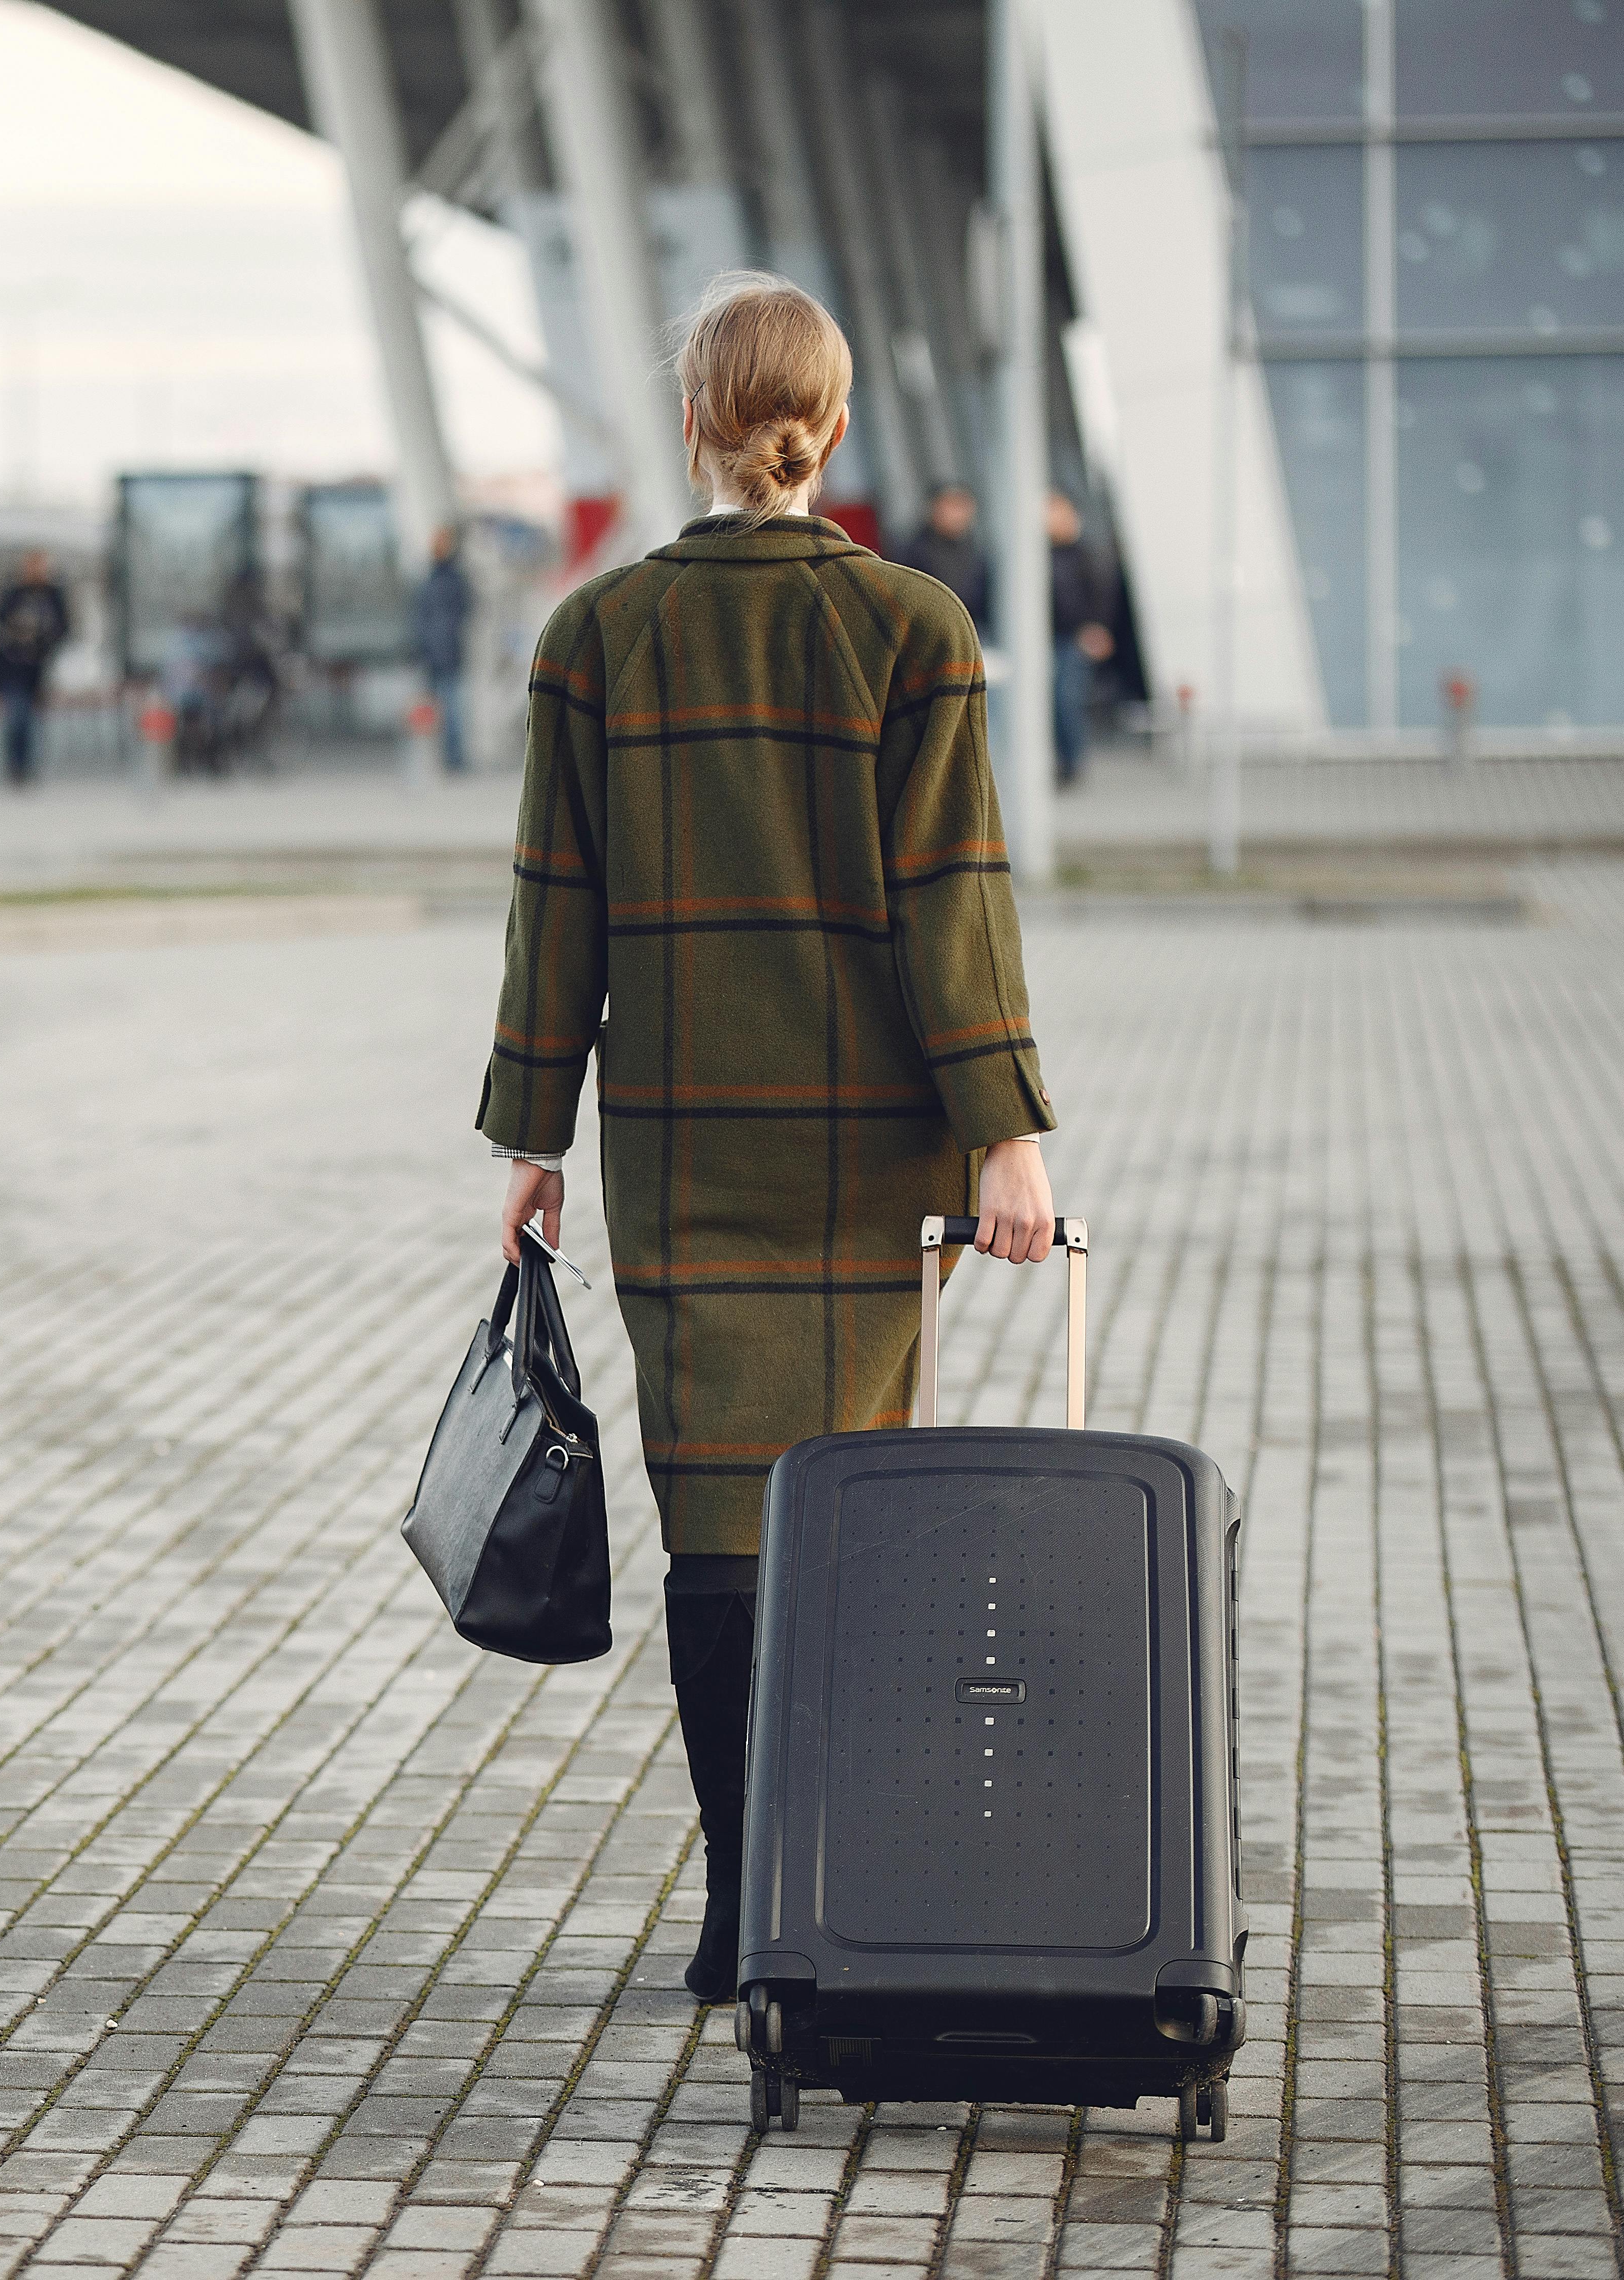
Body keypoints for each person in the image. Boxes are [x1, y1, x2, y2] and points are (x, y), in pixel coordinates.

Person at [481, 272, 1059, 2006]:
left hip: (679, 1148)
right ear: (836, 422)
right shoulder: (915, 625)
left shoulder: (597, 632)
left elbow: (551, 911)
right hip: (872, 1150)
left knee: (718, 1526)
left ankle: (744, 1903)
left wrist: (534, 1134)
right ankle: (832, 1894)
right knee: (849, 1511)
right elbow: (957, 906)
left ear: (693, 423)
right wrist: (1008, 1139)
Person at [0, 552, 71, 789]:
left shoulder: (53, 595)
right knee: (17, 717)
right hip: (11, 668)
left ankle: (25, 766)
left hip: (38, 670)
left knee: (31, 719)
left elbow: (64, 628)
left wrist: (42, 638)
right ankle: (16, 767)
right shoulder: (13, 593)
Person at [1046, 491, 1116, 788]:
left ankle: (1072, 763)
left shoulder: (1087, 554)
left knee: (1067, 700)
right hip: (1043, 641)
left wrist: (1098, 629)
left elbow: (1104, 596)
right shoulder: (1034, 555)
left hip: (1075, 639)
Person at [410, 524, 475, 776]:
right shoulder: (438, 581)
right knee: (443, 709)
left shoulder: (446, 581)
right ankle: (446, 758)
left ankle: (453, 759)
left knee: (451, 708)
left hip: (446, 653)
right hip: (437, 653)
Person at [891, 481, 993, 636]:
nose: (958, 514)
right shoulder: (913, 551)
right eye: (952, 506)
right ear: (935, 508)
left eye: (962, 507)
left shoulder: (977, 552)